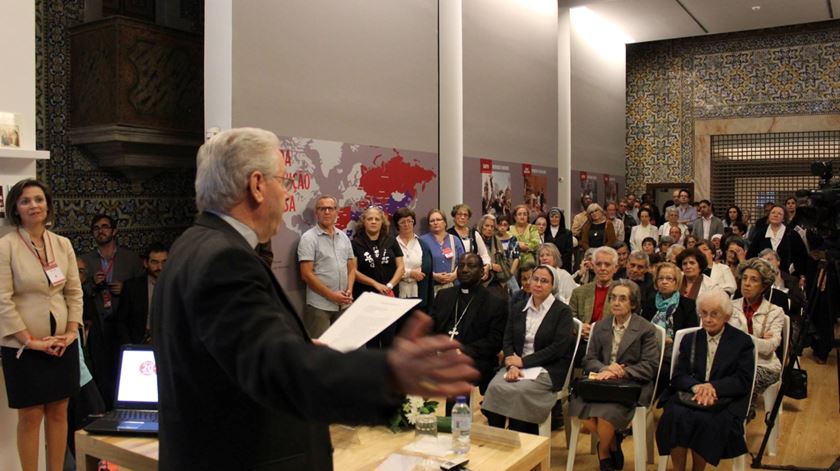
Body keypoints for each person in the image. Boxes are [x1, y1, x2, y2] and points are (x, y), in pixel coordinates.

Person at [151, 128, 477, 470]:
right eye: (284, 181)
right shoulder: (225, 260)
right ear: (258, 185)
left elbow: (231, 356)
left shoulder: (190, 245)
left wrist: (299, 346)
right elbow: (272, 368)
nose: (286, 192)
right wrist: (388, 373)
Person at [0, 178, 82, 471]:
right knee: (31, 416)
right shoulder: (6, 246)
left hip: (62, 343)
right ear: (16, 209)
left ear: (47, 205)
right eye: (25, 201)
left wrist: (71, 333)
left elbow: (74, 292)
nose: (33, 205)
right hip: (24, 347)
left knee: (60, 412)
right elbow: (3, 300)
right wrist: (30, 341)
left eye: (38, 199)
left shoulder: (62, 244)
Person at [656, 289, 755, 471]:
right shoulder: (690, 339)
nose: (708, 319)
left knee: (706, 421)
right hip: (690, 395)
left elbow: (742, 380)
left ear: (726, 315)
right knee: (673, 416)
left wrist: (713, 388)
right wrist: (697, 387)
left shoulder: (742, 342)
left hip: (725, 399)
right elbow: (679, 375)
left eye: (714, 314)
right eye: (704, 313)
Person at [568, 279, 660, 471]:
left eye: (622, 299)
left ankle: (603, 452)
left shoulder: (646, 329)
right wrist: (605, 369)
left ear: (633, 304)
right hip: (601, 381)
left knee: (606, 413)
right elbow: (589, 359)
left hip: (630, 385)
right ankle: (612, 441)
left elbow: (650, 366)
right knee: (577, 404)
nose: (616, 302)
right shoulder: (600, 326)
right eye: (613, 298)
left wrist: (621, 371)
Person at [481, 265, 576, 434]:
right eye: (535, 279)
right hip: (516, 365)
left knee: (520, 391)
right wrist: (511, 364)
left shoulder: (562, 312)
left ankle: (521, 442)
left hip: (548, 368)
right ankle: (498, 439)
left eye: (544, 281)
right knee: (495, 387)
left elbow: (557, 349)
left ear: (553, 286)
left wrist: (523, 362)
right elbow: (507, 339)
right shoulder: (518, 307)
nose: (538, 284)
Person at [79, 214, 144, 406]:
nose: (101, 230)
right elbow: (79, 290)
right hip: (98, 324)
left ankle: (128, 405)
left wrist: (126, 290)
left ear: (114, 231)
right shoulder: (85, 260)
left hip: (123, 323)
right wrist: (92, 283)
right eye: (96, 228)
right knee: (101, 370)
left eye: (105, 226)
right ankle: (104, 409)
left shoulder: (131, 258)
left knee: (125, 368)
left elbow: (141, 290)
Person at [431, 254, 507, 401]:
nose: (464, 270)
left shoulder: (495, 302)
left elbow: (494, 342)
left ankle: (456, 422)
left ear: (482, 272)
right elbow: (431, 328)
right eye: (461, 266)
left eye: (471, 266)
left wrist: (461, 351)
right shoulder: (443, 295)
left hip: (474, 358)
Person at [728, 258, 784, 418]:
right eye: (744, 278)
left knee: (743, 380)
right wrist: (757, 339)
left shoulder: (775, 311)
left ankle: (740, 418)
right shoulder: (730, 306)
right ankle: (738, 417)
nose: (746, 283)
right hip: (734, 362)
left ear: (764, 285)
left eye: (754, 280)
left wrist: (741, 339)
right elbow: (724, 339)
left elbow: (771, 347)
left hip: (765, 365)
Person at [298, 195, 356, 338]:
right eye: (322, 208)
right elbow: (306, 274)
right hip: (319, 306)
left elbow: (352, 269)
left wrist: (349, 290)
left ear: (336, 212)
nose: (327, 212)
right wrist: (331, 295)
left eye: (330, 208)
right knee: (319, 351)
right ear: (316, 213)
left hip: (343, 304)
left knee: (342, 347)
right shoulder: (308, 238)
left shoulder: (343, 237)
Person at [352, 206, 405, 348]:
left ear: (382, 222)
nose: (373, 222)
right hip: (366, 298)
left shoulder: (391, 240)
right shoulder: (355, 243)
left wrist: (389, 285)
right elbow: (353, 271)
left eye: (377, 219)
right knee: (371, 341)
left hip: (389, 296)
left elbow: (401, 267)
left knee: (389, 339)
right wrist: (375, 284)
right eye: (370, 219)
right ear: (364, 222)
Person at [641, 262, 698, 393]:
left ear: (676, 282)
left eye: (669, 279)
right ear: (656, 282)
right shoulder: (649, 304)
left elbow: (691, 334)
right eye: (661, 278)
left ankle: (653, 401)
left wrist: (672, 341)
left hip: (674, 352)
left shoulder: (687, 305)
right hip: (649, 350)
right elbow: (641, 329)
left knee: (662, 370)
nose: (664, 282)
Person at [114, 242, 168, 345]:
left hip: (170, 345)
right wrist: (129, 346)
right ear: (146, 263)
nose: (160, 267)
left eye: (164, 262)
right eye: (155, 262)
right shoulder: (132, 287)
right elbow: (121, 321)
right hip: (140, 344)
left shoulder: (178, 286)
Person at [568, 246, 621, 345]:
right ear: (593, 266)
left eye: (607, 264)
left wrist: (596, 331)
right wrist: (580, 327)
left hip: (611, 343)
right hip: (582, 341)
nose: (602, 268)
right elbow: (569, 318)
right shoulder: (578, 292)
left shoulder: (623, 294)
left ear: (615, 268)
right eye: (599, 264)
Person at [747, 204, 808, 276]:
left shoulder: (792, 234)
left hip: (787, 275)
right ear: (769, 216)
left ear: (783, 218)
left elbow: (801, 256)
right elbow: (751, 254)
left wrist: (801, 275)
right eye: (773, 213)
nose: (775, 215)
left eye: (779, 213)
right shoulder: (761, 233)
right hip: (763, 275)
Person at [394, 207, 434, 311]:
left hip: (419, 295)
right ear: (397, 224)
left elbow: (426, 269)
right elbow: (390, 269)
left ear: (413, 222)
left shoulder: (423, 245)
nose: (406, 224)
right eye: (402, 222)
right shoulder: (391, 244)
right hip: (396, 297)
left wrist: (406, 272)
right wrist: (410, 273)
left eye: (409, 221)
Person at [420, 209, 465, 297]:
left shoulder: (454, 240)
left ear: (445, 222)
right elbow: (418, 264)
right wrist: (434, 276)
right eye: (432, 221)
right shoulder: (422, 241)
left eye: (438, 220)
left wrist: (455, 275)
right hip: (431, 288)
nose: (435, 222)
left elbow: (463, 261)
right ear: (429, 224)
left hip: (453, 286)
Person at [447, 204, 491, 272]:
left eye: (465, 215)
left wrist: (487, 265)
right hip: (455, 272)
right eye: (459, 214)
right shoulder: (448, 234)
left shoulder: (474, 233)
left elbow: (484, 254)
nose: (462, 217)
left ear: (468, 218)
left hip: (472, 273)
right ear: (454, 216)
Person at [543, 207, 574, 272]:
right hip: (546, 265)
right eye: (552, 217)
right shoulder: (545, 232)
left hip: (563, 266)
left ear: (560, 219)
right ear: (548, 218)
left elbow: (568, 252)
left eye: (556, 217)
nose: (554, 219)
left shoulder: (567, 233)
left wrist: (557, 263)